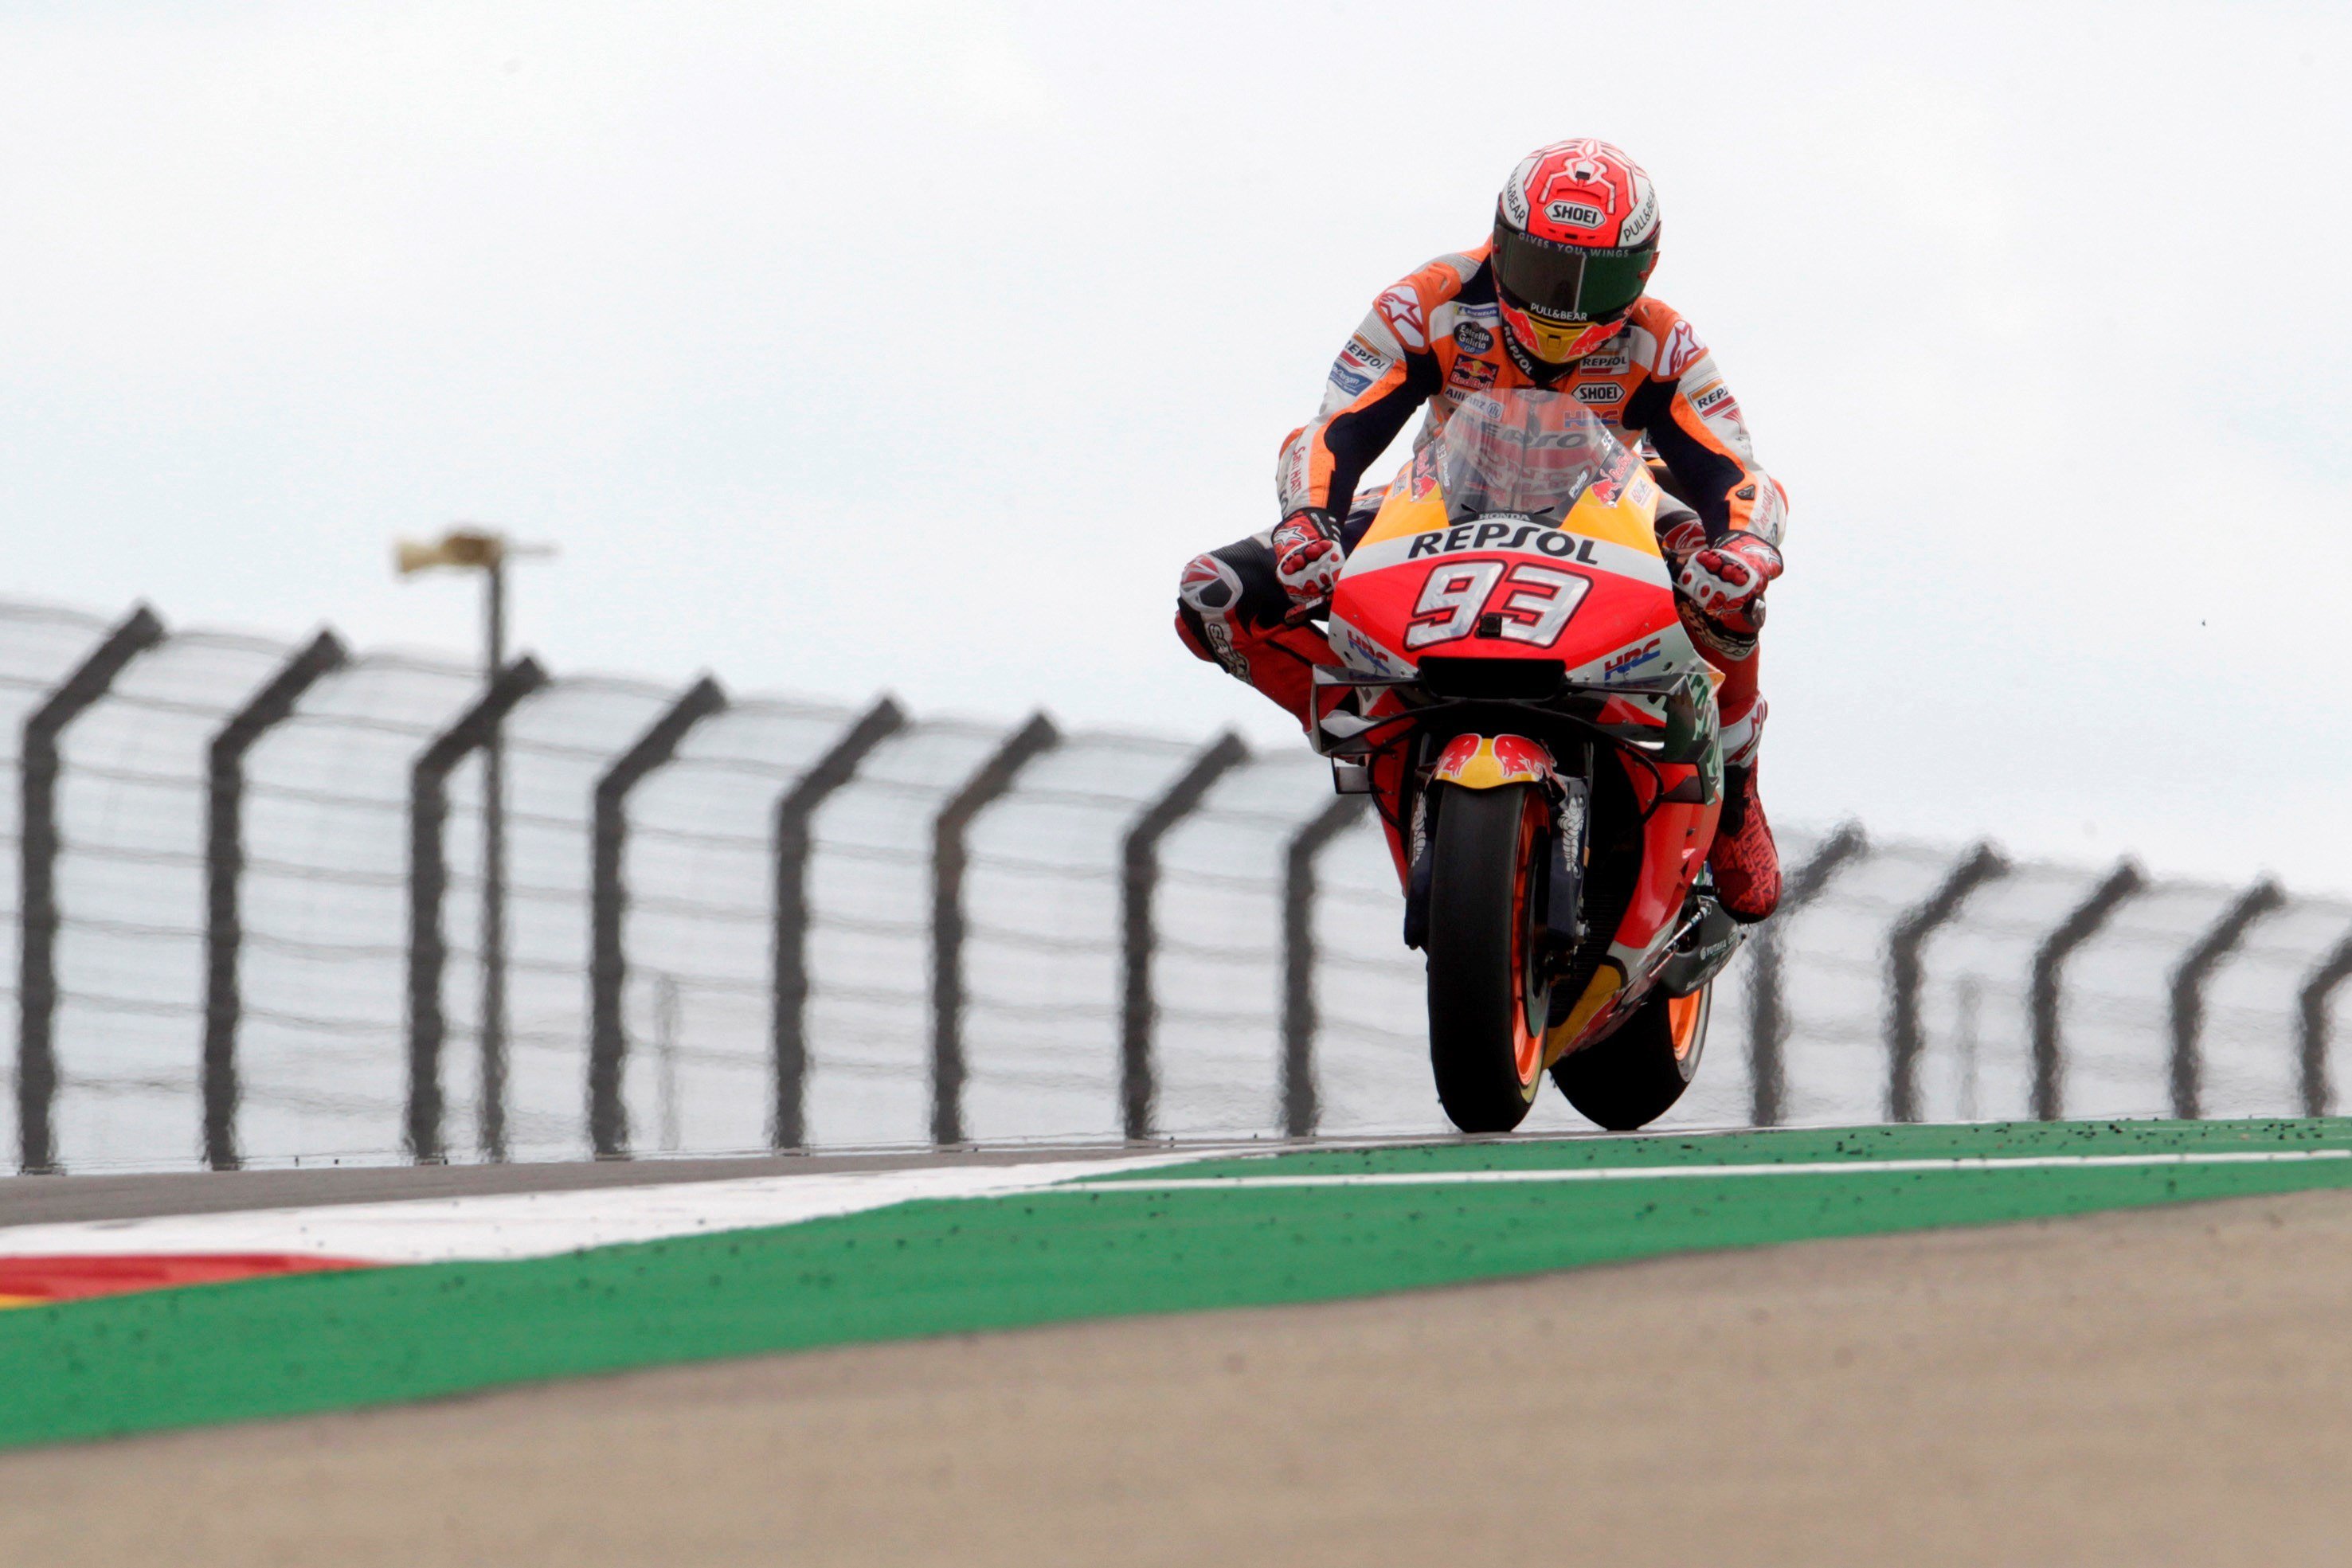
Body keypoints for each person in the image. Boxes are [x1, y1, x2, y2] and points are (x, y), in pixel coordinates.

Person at [1173, 137, 1787, 921]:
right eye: (1540, 269)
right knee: (1213, 594)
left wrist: (1743, 544)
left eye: (1592, 280)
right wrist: (1308, 523)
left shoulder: (1663, 339)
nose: (1561, 304)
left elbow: (1737, 469)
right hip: (1437, 503)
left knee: (1730, 588)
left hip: (1618, 511)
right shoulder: (1429, 298)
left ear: (1641, 272)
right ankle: (1378, 719)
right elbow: (1335, 425)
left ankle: (1737, 787)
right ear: (1499, 240)